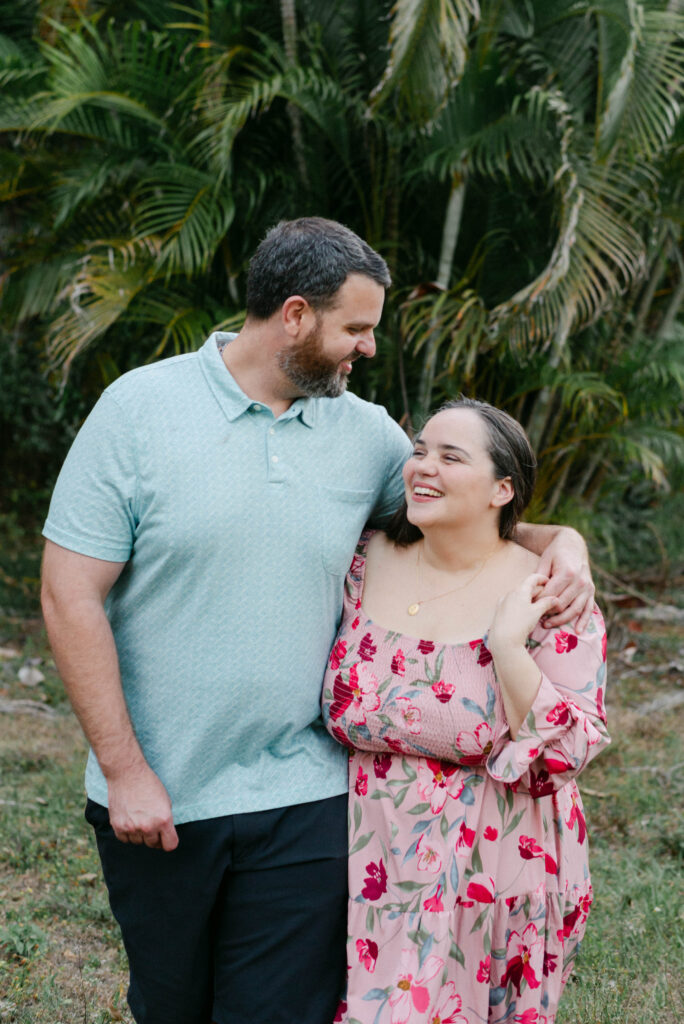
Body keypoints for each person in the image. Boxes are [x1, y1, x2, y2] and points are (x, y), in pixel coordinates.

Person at [40, 218, 594, 1024]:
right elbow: (67, 594)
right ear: (296, 316)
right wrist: (126, 772)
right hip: (163, 794)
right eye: (357, 328)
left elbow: (466, 508)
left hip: (308, 791)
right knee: (172, 1005)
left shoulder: (365, 435)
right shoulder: (138, 410)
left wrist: (563, 541)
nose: (368, 348)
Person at [321, 398, 609, 1024]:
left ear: (502, 489)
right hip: (370, 859)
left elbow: (567, 753)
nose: (423, 466)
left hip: (495, 865)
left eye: (451, 456)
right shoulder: (360, 559)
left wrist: (508, 647)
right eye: (420, 450)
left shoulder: (550, 593)